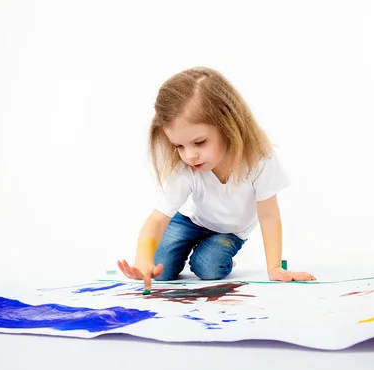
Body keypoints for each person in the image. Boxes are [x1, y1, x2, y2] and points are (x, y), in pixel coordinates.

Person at [117, 67, 316, 290]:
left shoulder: (260, 160)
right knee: (160, 272)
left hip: (229, 230)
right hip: (190, 221)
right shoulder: (187, 168)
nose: (189, 155)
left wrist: (275, 267)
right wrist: (143, 260)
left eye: (199, 142)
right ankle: (187, 247)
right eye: (179, 146)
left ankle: (212, 252)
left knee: (209, 269)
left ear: (229, 126)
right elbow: (157, 219)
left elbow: (269, 215)